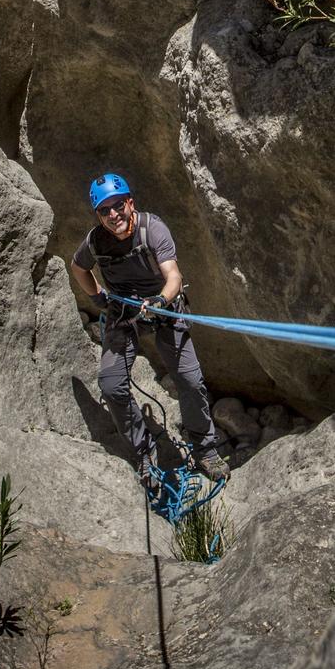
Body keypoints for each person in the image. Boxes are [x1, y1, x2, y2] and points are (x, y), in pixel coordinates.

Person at [71, 170, 229, 486]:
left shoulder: (152, 229)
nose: (113, 214)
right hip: (123, 312)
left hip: (164, 308)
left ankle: (205, 450)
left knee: (189, 379)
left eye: (118, 205)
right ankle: (145, 453)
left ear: (130, 203)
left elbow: (174, 276)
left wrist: (159, 299)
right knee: (112, 383)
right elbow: (78, 267)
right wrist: (98, 297)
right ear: (98, 215)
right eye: (105, 210)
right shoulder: (95, 241)